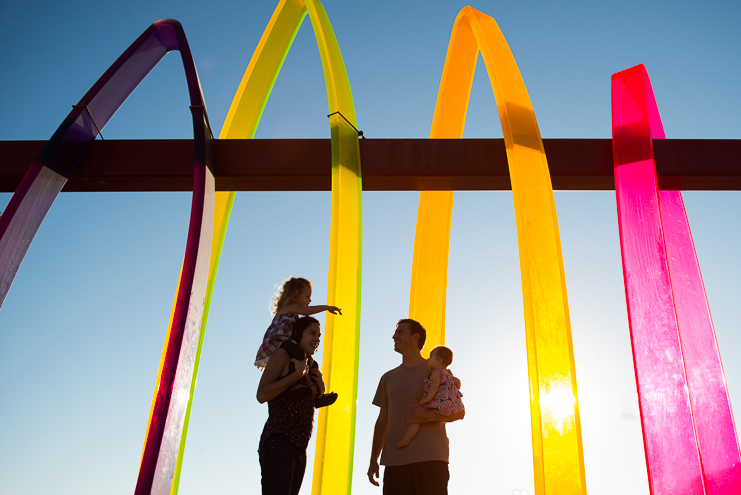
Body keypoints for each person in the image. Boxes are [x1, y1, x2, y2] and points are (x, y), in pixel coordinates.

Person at [368, 319, 465, 495]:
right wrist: (373, 459)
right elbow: (382, 421)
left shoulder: (438, 371)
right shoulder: (387, 378)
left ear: (415, 337)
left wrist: (430, 416)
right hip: (395, 463)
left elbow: (460, 412)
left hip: (432, 460)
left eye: (399, 332)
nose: (394, 336)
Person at [257, 316, 325, 495]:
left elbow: (303, 402)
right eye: (312, 333)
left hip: (300, 448)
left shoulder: (310, 366)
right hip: (279, 441)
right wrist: (295, 376)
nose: (317, 339)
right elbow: (262, 394)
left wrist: (320, 390)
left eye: (319, 336)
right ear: (297, 334)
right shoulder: (283, 355)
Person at [255, 277, 341, 371]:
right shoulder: (289, 306)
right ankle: (292, 374)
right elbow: (307, 311)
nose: (310, 300)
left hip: (286, 340)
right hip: (278, 340)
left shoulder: (294, 313)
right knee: (298, 353)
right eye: (307, 296)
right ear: (295, 294)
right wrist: (327, 308)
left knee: (302, 355)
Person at [397, 345, 464, 449]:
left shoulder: (437, 372)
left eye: (430, 357)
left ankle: (406, 439)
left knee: (417, 420)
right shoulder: (449, 375)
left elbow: (435, 385)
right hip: (449, 407)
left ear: (439, 361)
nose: (428, 359)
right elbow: (458, 383)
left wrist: (427, 398)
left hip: (437, 403)